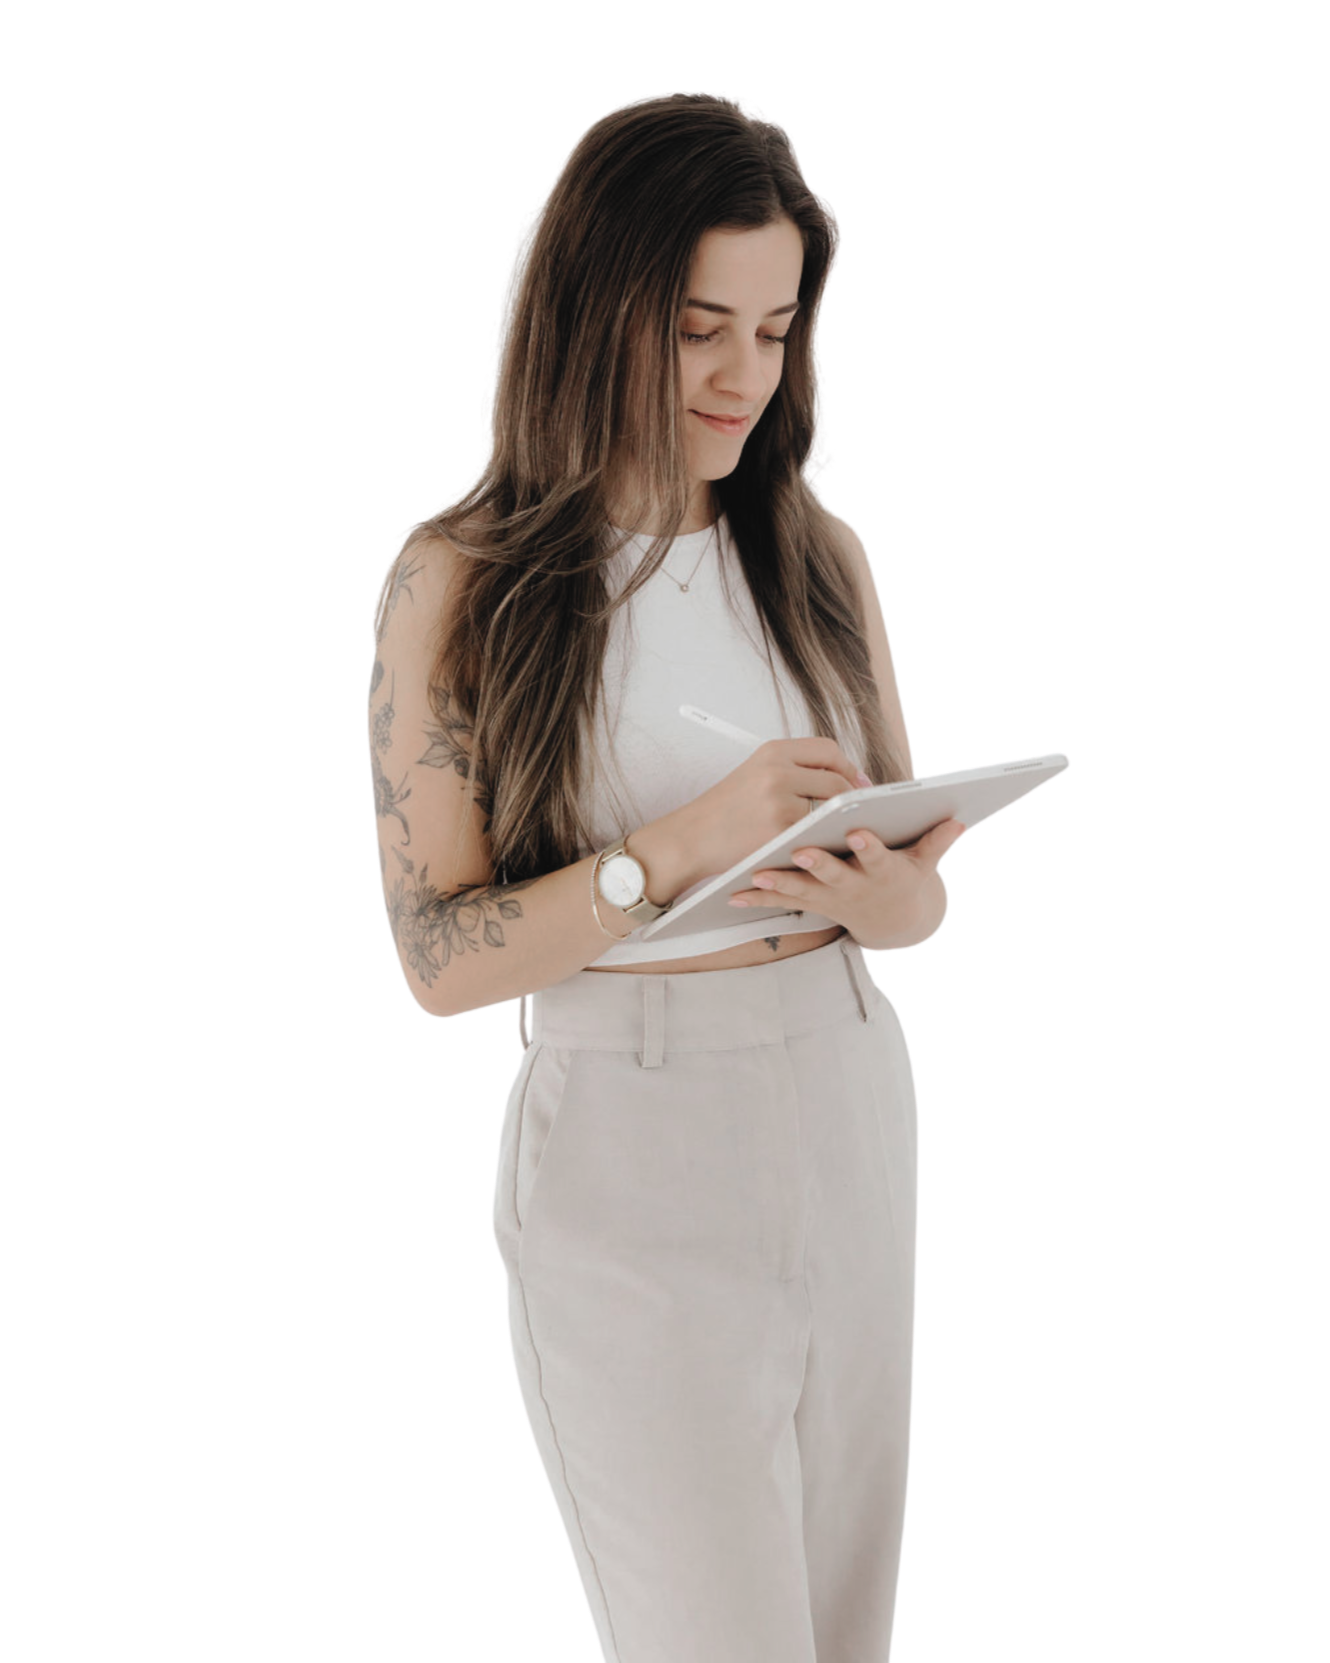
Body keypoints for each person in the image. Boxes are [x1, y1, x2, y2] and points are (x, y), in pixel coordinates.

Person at [369, 92, 962, 1663]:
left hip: (839, 1098)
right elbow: (438, 963)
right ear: (594, 307)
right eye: (700, 325)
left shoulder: (816, 555)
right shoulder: (462, 580)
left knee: (842, 1638)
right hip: (630, 1134)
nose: (741, 378)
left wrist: (882, 895)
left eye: (774, 330)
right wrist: (686, 846)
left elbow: (919, 898)